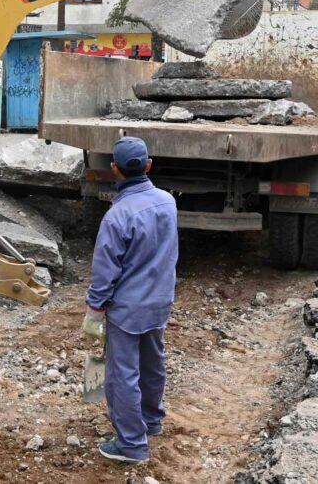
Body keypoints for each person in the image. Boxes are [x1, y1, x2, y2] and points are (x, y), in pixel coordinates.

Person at [81, 136, 178, 465]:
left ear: (114, 170)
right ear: (148, 165)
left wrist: (95, 309)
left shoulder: (117, 216)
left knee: (122, 374)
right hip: (159, 303)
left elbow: (105, 270)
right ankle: (151, 422)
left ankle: (132, 445)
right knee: (153, 363)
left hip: (127, 310)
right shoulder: (168, 203)